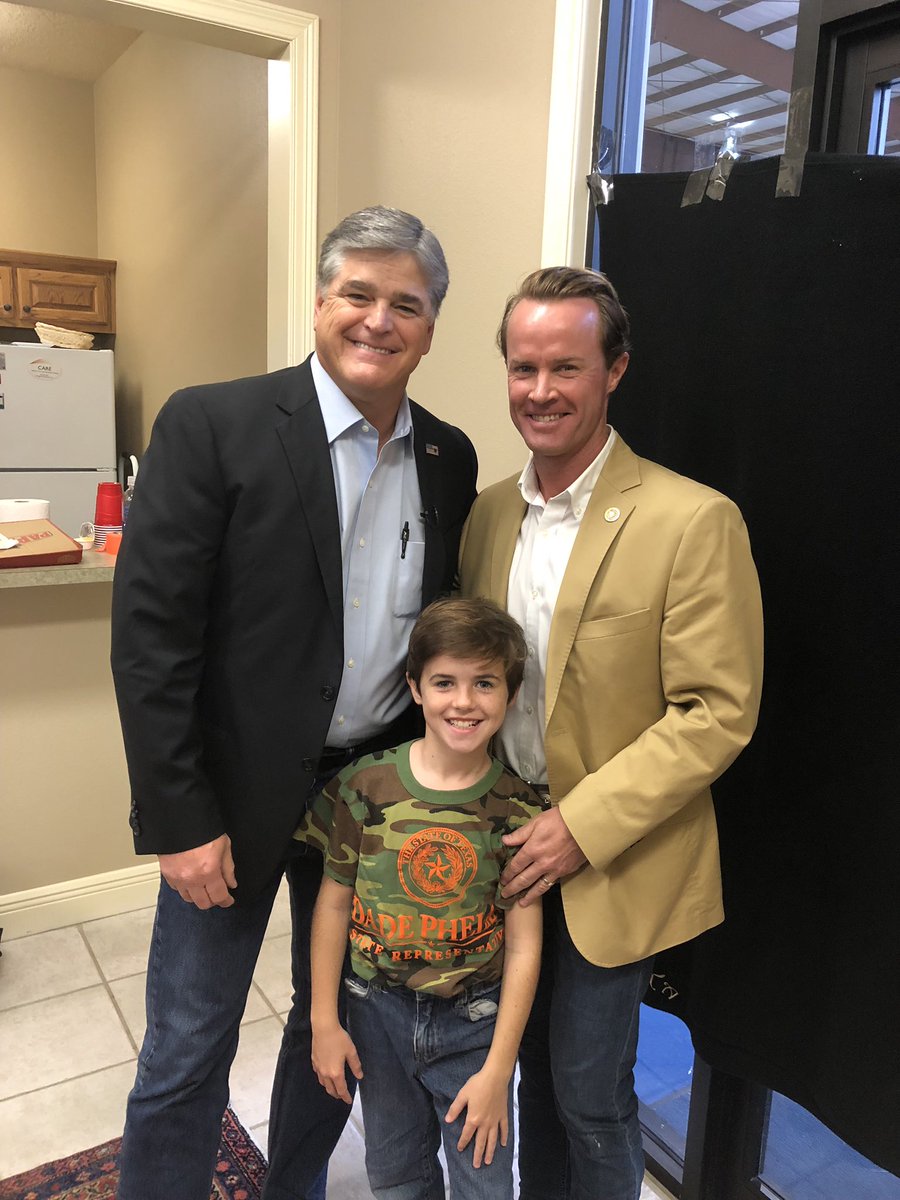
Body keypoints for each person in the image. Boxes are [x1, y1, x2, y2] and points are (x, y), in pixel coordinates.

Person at [109, 206, 478, 1200]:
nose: (378, 320)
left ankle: (295, 1188)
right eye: (358, 294)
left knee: (336, 1025)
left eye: (406, 304)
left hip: (368, 801)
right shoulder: (213, 424)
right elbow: (152, 641)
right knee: (190, 1042)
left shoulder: (449, 459)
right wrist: (178, 818)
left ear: (431, 328)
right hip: (228, 801)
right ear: (320, 303)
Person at [458, 266, 764, 1200]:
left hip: (610, 855)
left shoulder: (693, 519)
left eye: (567, 367)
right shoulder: (487, 515)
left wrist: (580, 827)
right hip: (503, 851)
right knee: (522, 1076)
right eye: (523, 368)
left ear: (615, 370)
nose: (541, 390)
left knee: (590, 1097)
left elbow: (717, 711)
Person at [298, 597, 544, 1200]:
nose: (464, 702)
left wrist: (498, 1071)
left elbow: (524, 948)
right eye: (444, 682)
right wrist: (324, 1019)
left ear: (510, 694)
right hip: (376, 1015)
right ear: (414, 687)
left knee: (484, 1185)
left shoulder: (519, 811)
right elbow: (331, 905)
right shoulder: (363, 787)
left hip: (474, 1026)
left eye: (484, 683)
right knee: (398, 1179)